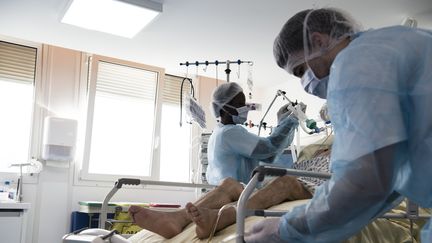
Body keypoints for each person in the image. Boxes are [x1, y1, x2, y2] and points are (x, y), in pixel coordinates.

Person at [245, 7, 432, 243]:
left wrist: (286, 228)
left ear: (318, 40)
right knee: (234, 187)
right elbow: (386, 180)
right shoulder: (395, 44)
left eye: (301, 70)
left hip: (315, 185)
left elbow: (364, 182)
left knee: (284, 184)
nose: (305, 83)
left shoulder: (354, 62)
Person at [128, 82, 313, 239]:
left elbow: (269, 152)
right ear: (224, 108)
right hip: (244, 187)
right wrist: (288, 122)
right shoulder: (231, 132)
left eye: (244, 104)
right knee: (232, 184)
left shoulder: (221, 132)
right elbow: (269, 150)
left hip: (260, 186)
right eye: (240, 104)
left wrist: (286, 123)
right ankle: (179, 218)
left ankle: (184, 218)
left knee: (243, 183)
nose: (245, 108)